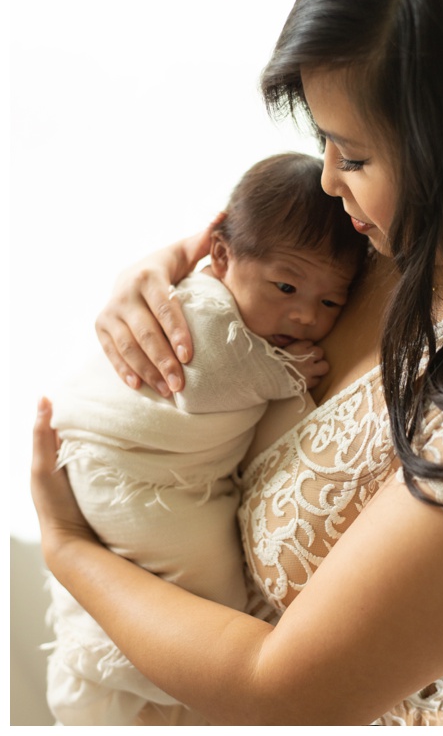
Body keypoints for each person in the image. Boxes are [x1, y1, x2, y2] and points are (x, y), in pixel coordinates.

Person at [31, 0, 443, 726]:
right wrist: (165, 275)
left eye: (357, 156)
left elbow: (282, 691)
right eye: (323, 143)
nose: (329, 178)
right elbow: (235, 257)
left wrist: (70, 551)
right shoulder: (353, 247)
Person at [45, 152, 366, 725]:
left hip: (158, 479)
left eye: (329, 302)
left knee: (163, 607)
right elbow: (203, 375)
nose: (304, 318)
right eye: (286, 287)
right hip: (130, 472)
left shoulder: (256, 284)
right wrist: (289, 369)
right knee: (201, 602)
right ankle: (116, 690)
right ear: (219, 258)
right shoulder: (209, 313)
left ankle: (118, 693)